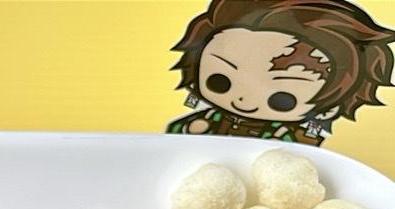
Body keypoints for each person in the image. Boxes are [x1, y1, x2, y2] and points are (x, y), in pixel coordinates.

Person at [167, 0, 395, 146]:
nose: (243, 102)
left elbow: (306, 149)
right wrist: (191, 130)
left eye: (282, 100)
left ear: (329, 109)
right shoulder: (212, 118)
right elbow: (175, 132)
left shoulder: (289, 134)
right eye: (220, 81)